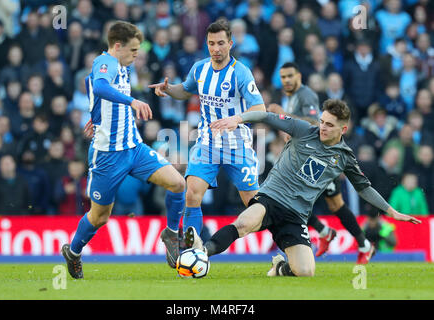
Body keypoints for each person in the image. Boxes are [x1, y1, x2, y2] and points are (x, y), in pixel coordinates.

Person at [184, 99, 421, 277]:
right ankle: (201, 252)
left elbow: (364, 188)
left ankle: (280, 268)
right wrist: (239, 119)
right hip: (270, 198)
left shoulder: (345, 157)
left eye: (329, 125)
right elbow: (266, 116)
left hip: (296, 215)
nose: (323, 127)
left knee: (306, 271)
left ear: (343, 130)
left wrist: (391, 211)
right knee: (243, 224)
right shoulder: (302, 130)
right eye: (321, 121)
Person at [61, 21, 186, 279]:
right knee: (100, 216)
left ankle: (172, 234)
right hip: (108, 156)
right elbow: (100, 86)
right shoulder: (104, 62)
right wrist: (132, 100)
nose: (136, 55)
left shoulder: (122, 66)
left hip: (134, 148)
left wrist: (96, 114)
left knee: (177, 183)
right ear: (117, 46)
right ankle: (73, 252)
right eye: (133, 50)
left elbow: (92, 85)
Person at [149, 19, 266, 266]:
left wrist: (237, 118)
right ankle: (192, 251)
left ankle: (285, 241)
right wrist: (170, 90)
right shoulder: (200, 69)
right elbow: (186, 90)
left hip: (238, 147)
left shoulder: (241, 73)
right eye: (211, 43)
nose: (216, 49)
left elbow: (260, 108)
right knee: (192, 193)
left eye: (221, 43)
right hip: (207, 144)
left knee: (255, 205)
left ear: (231, 44)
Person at [268, 62, 375, 264]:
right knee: (327, 203)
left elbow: (312, 125)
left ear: (299, 75)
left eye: (290, 76)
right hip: (307, 158)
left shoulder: (306, 95)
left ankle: (351, 240)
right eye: (283, 77)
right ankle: (354, 242)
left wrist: (282, 114)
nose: (287, 80)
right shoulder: (293, 97)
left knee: (299, 198)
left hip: (318, 158)